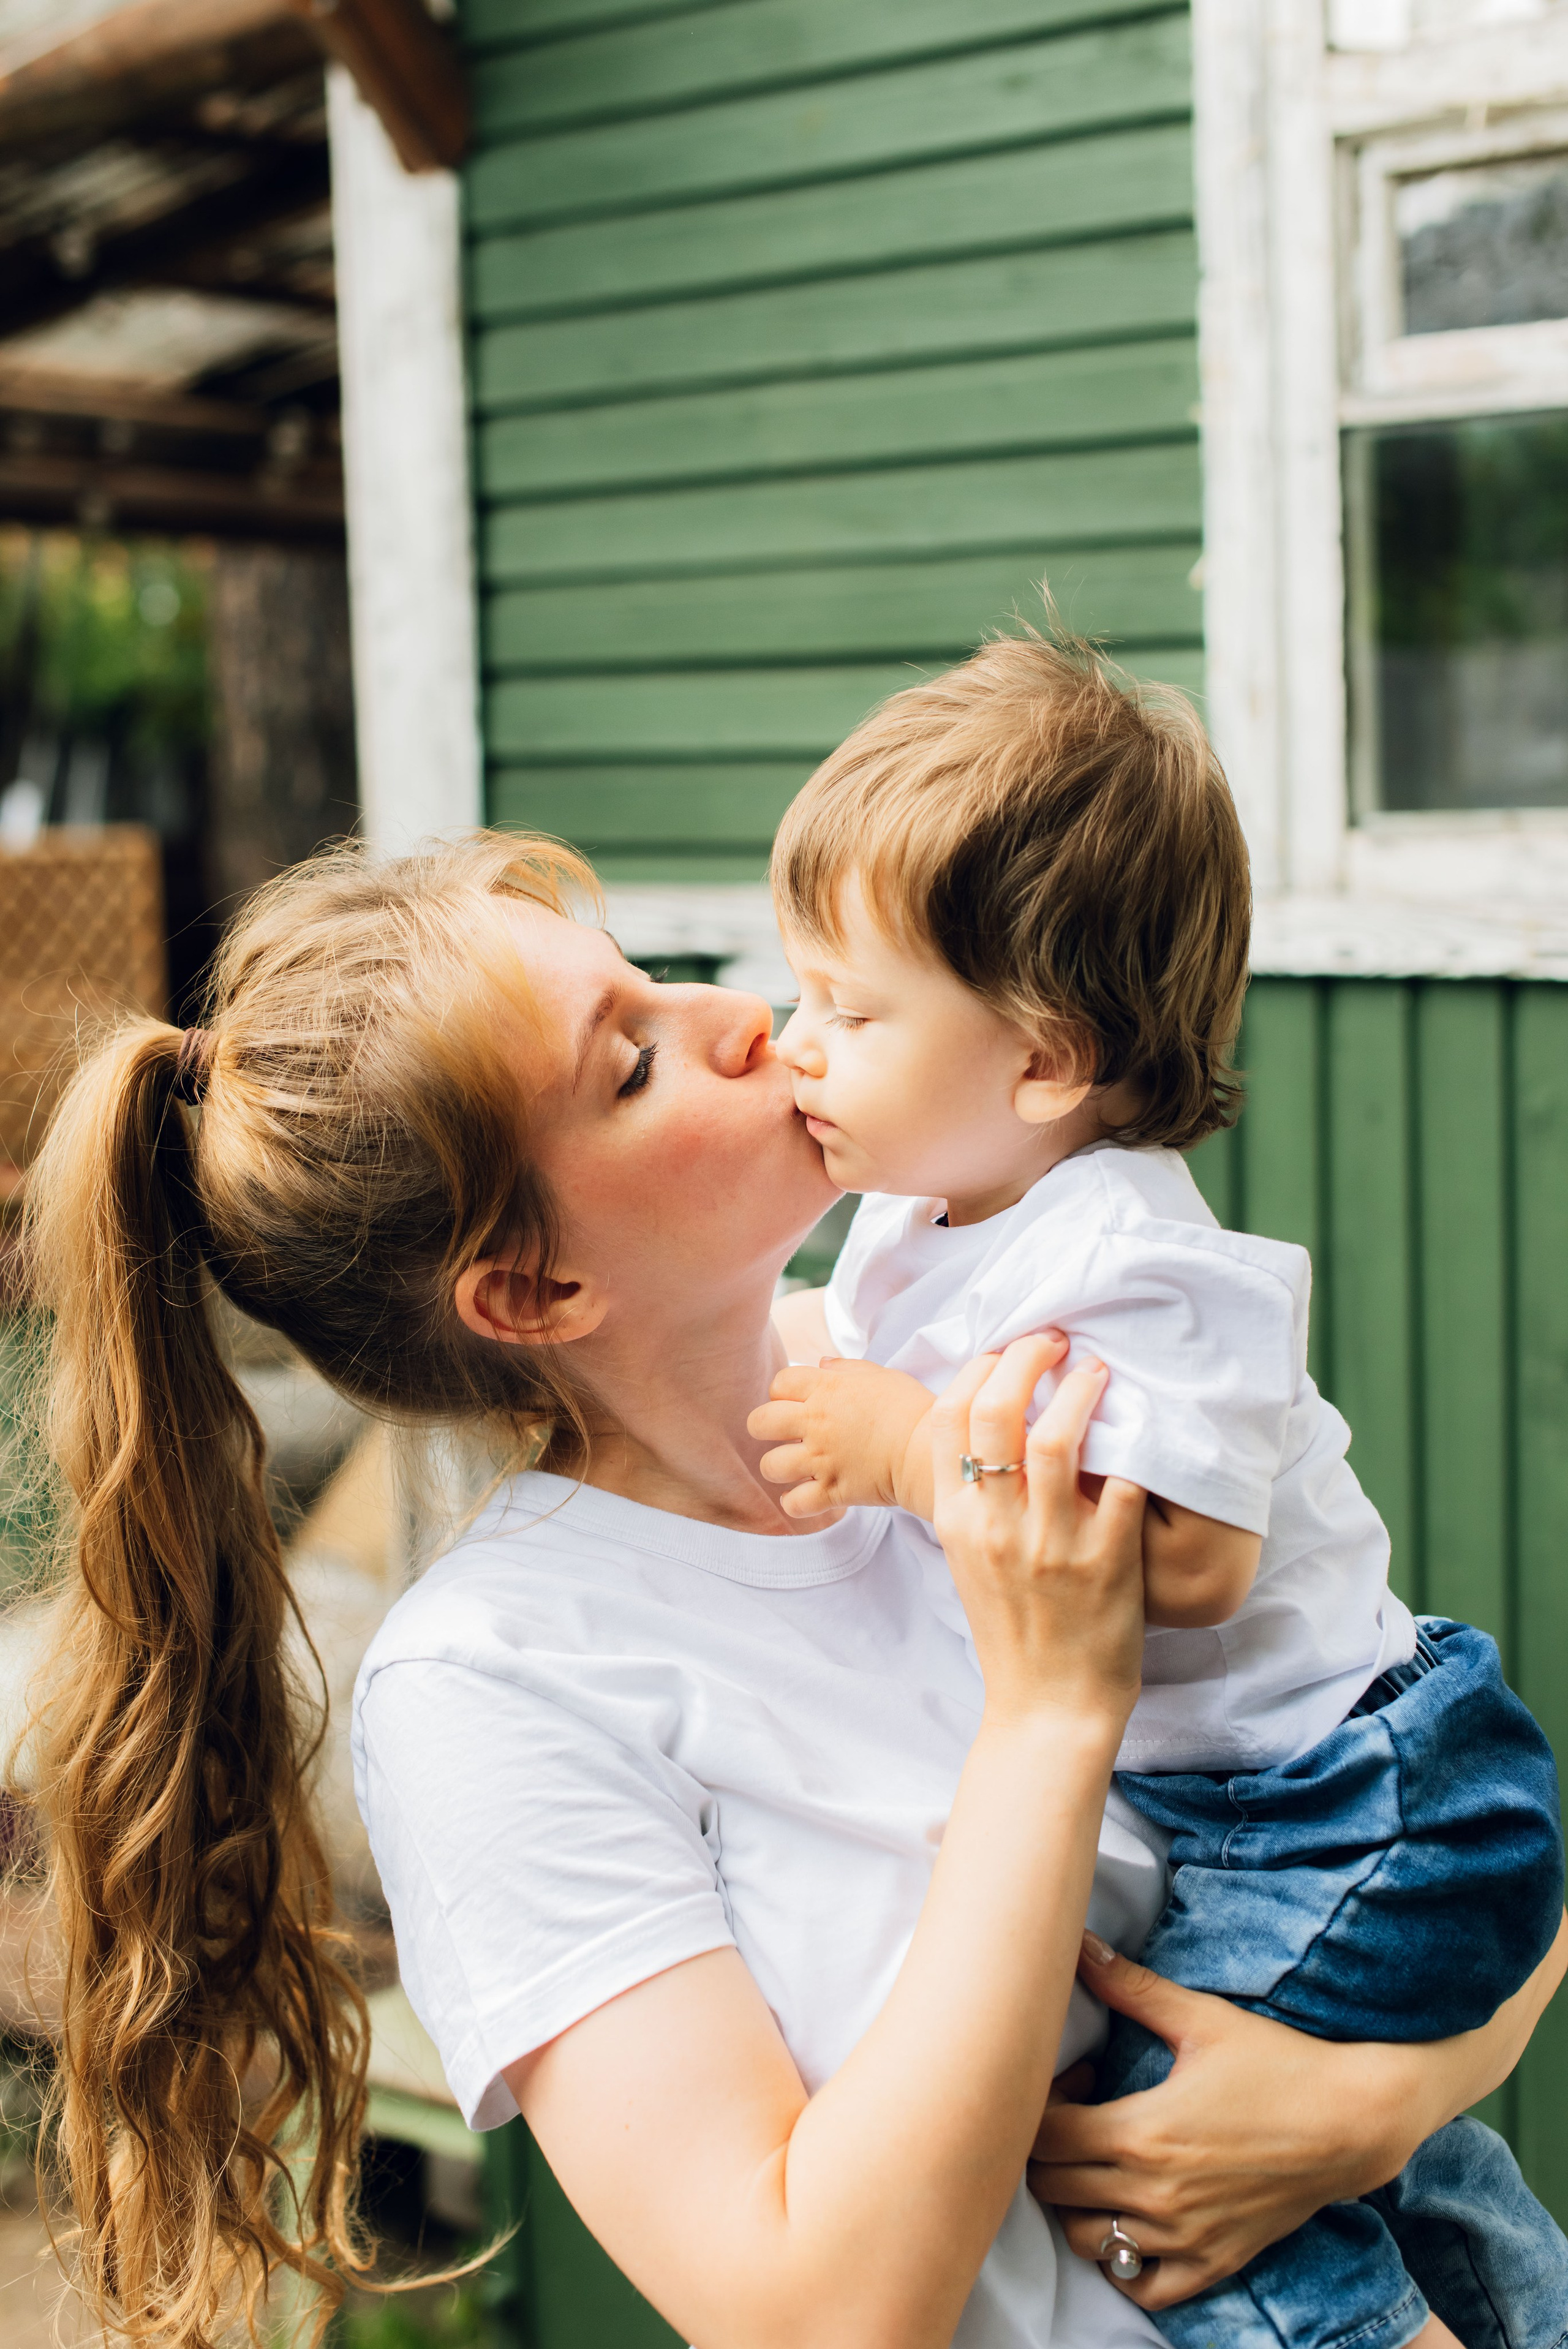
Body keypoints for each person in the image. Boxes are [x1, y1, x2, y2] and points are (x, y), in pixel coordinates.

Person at [15, 834, 1562, 2349]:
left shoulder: (962, 1366)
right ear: (535, 1289)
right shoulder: (494, 1682)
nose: (738, 1015)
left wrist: (1368, 2105)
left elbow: (1423, 1783)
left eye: (652, 980)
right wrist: (1045, 1714)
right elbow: (813, 2313)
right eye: (629, 1063)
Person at [750, 627, 1568, 2349]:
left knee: (1162, 2138)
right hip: (1259, 1796)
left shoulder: (1137, 1253)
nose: (793, 1040)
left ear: (1044, 1061)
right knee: (1388, 2165)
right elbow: (859, 1340)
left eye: (849, 1007)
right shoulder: (927, 1204)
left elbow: (1193, 1558)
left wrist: (906, 1446)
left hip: (1358, 1787)